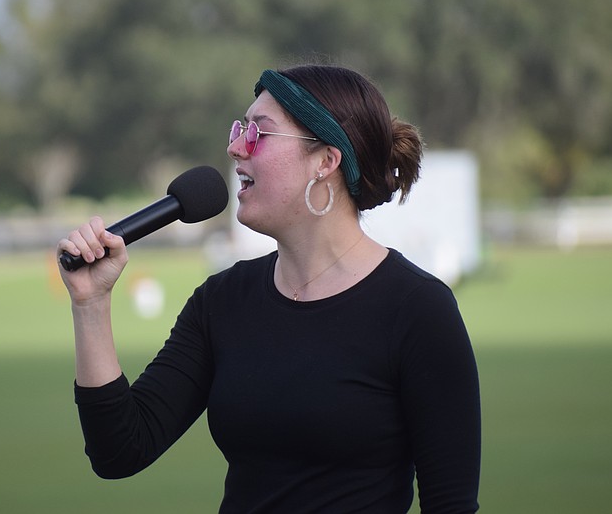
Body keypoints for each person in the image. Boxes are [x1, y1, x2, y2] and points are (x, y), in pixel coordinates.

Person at [58, 65, 481, 513]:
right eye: (240, 129)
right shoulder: (221, 301)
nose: (235, 147)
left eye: (259, 133)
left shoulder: (417, 309)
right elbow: (120, 450)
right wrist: (91, 303)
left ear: (326, 162)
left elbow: (450, 505)